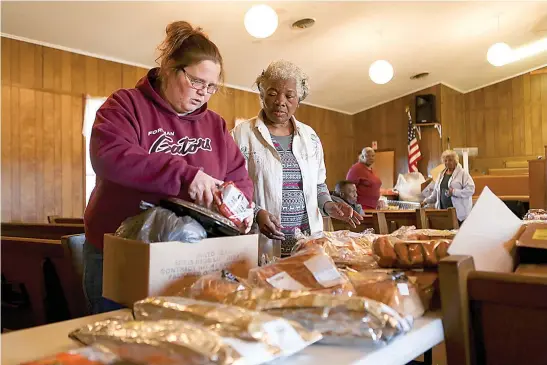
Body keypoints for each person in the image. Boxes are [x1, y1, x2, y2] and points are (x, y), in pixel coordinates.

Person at [83, 21, 254, 314]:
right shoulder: (125, 105)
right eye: (197, 81)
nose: (204, 93)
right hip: (123, 254)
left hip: (191, 259)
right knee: (119, 346)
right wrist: (185, 176)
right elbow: (110, 156)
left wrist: (240, 207)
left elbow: (239, 178)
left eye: (212, 86)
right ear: (169, 68)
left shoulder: (214, 124)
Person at [231, 60, 362, 257]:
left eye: (289, 95)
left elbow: (318, 184)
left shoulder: (309, 137)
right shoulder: (240, 135)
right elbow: (231, 189)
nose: (280, 101)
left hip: (307, 244)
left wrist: (328, 205)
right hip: (261, 243)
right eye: (272, 93)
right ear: (262, 94)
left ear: (299, 100)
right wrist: (257, 213)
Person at [421, 150, 475, 225]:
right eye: (445, 160)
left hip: (459, 213)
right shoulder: (441, 174)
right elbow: (436, 193)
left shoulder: (463, 173)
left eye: (450, 160)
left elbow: (471, 190)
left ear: (455, 161)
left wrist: (454, 192)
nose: (447, 162)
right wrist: (426, 201)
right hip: (443, 212)